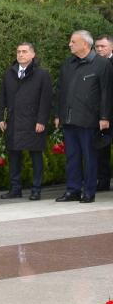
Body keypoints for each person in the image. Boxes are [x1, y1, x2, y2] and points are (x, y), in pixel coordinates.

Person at [54, 30, 111, 203]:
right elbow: (60, 91)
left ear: (85, 44)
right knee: (72, 157)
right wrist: (58, 114)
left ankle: (89, 192)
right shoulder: (68, 64)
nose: (69, 44)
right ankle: (72, 190)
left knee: (89, 157)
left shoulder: (102, 64)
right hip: (69, 119)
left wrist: (105, 117)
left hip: (90, 120)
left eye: (73, 41)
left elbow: (106, 93)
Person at [0, 43, 52, 201]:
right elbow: (2, 97)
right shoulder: (9, 73)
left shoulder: (42, 74)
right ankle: (15, 189)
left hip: (34, 122)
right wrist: (1, 117)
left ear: (33, 54)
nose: (21, 54)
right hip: (13, 121)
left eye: (24, 51)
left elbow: (46, 100)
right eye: (18, 52)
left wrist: (42, 120)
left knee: (36, 156)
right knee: (14, 156)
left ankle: (36, 189)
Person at [96, 35, 113, 191]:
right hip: (101, 115)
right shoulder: (94, 64)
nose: (100, 49)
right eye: (97, 47)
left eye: (103, 46)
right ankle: (103, 181)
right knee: (101, 149)